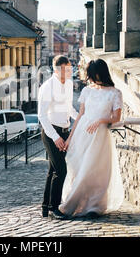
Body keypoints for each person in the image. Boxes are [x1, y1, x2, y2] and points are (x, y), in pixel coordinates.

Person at [58, 58, 124, 218]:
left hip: (100, 136)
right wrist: (70, 138)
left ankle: (90, 206)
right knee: (79, 168)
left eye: (94, 75)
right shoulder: (87, 91)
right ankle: (80, 204)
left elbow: (116, 118)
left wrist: (101, 120)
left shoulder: (115, 93)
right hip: (82, 133)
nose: (92, 78)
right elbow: (80, 115)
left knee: (94, 171)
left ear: (101, 73)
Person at [37, 55, 78, 219]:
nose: (69, 72)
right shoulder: (47, 87)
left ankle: (45, 208)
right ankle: (55, 208)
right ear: (57, 69)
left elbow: (69, 108)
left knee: (53, 170)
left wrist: (81, 117)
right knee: (61, 170)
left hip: (64, 130)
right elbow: (41, 115)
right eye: (66, 69)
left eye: (70, 68)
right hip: (51, 133)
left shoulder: (68, 84)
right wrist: (55, 137)